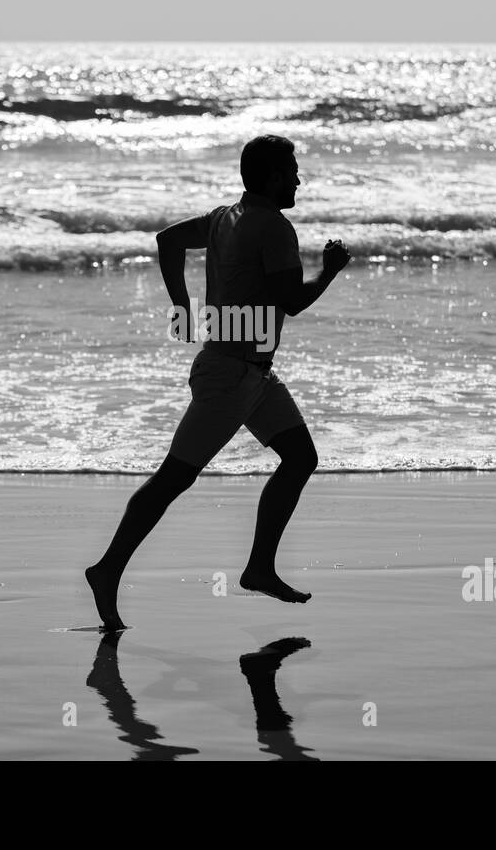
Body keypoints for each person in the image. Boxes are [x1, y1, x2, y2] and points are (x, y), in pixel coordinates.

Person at [86, 134, 351, 631]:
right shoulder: (274, 227)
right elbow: (292, 302)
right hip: (231, 376)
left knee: (300, 458)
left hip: (250, 374)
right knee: (173, 478)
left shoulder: (222, 218)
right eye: (292, 169)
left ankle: (258, 568)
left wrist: (181, 309)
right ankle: (106, 570)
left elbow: (167, 241)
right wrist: (330, 271)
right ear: (272, 176)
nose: (298, 178)